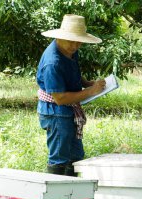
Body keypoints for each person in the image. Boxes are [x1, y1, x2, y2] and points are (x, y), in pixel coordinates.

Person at [36, 14, 106, 176]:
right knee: (59, 158)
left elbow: (71, 73)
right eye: (72, 41)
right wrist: (91, 91)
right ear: (61, 37)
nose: (75, 45)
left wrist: (87, 83)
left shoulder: (69, 50)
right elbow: (60, 99)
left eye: (79, 41)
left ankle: (72, 195)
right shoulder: (53, 62)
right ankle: (56, 196)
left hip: (67, 111)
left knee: (76, 156)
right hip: (55, 112)